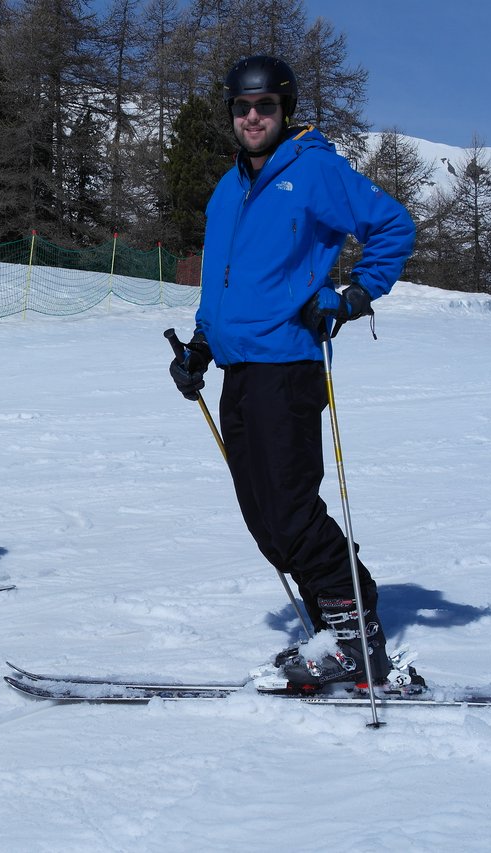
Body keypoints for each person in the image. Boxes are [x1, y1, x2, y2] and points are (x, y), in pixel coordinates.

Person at [168, 56, 416, 687]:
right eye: (242, 107)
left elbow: (393, 227)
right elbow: (224, 287)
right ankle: (335, 636)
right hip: (239, 372)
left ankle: (359, 640)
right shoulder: (228, 190)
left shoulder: (314, 171)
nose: (253, 118)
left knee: (291, 511)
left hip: (288, 366)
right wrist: (200, 345)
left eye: (266, 107)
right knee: (264, 516)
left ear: (285, 111)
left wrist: (354, 295)